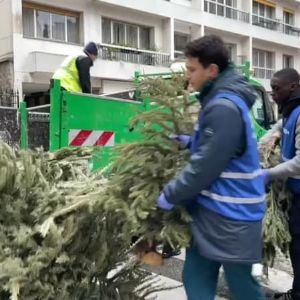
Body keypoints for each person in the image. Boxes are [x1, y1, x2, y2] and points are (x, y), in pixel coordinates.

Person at [156, 35, 266, 300]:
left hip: (233, 216)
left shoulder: (223, 105)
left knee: (243, 286)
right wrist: (191, 142)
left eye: (192, 70)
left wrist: (171, 194)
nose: (188, 76)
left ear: (212, 70)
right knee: (196, 276)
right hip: (213, 212)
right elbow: (218, 147)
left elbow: (206, 166)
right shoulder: (219, 99)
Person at [261, 68, 300, 300]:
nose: (272, 93)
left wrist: (269, 174)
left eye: (276, 88)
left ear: (293, 87)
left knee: (299, 248)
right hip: (295, 192)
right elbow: (270, 135)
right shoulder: (289, 112)